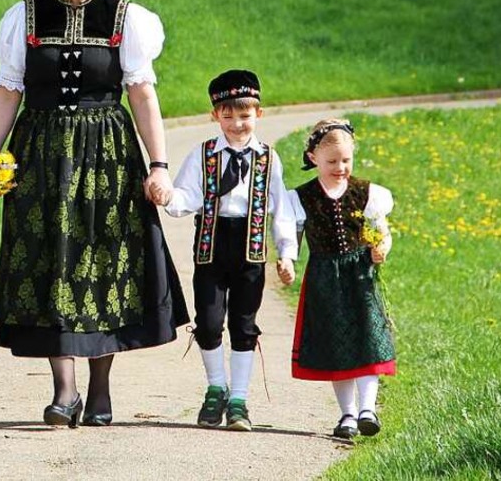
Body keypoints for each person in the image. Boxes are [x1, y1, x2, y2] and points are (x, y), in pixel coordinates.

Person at [0, 0, 189, 428]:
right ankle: (64, 390)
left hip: (107, 154)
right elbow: (8, 91)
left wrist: (159, 165)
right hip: (41, 154)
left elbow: (142, 96)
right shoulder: (23, 16)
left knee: (102, 262)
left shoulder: (128, 18)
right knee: (52, 261)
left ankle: (100, 388)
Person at [158, 69, 297, 431]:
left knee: (244, 323)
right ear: (215, 115)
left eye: (245, 115)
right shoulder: (203, 154)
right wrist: (168, 196)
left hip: (250, 250)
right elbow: (187, 195)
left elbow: (280, 208)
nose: (237, 123)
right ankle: (215, 388)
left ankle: (239, 399)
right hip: (211, 246)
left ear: (258, 115)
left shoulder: (269, 158)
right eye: (229, 114)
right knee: (207, 320)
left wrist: (286, 252)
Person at [286, 119, 396, 440]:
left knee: (368, 339)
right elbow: (290, 236)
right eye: (332, 161)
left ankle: (368, 409)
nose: (340, 167)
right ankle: (347, 414)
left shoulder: (368, 193)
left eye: (346, 160)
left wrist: (381, 248)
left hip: (360, 276)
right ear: (312, 158)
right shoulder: (301, 198)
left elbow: (383, 233)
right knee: (338, 345)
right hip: (325, 278)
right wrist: (287, 260)